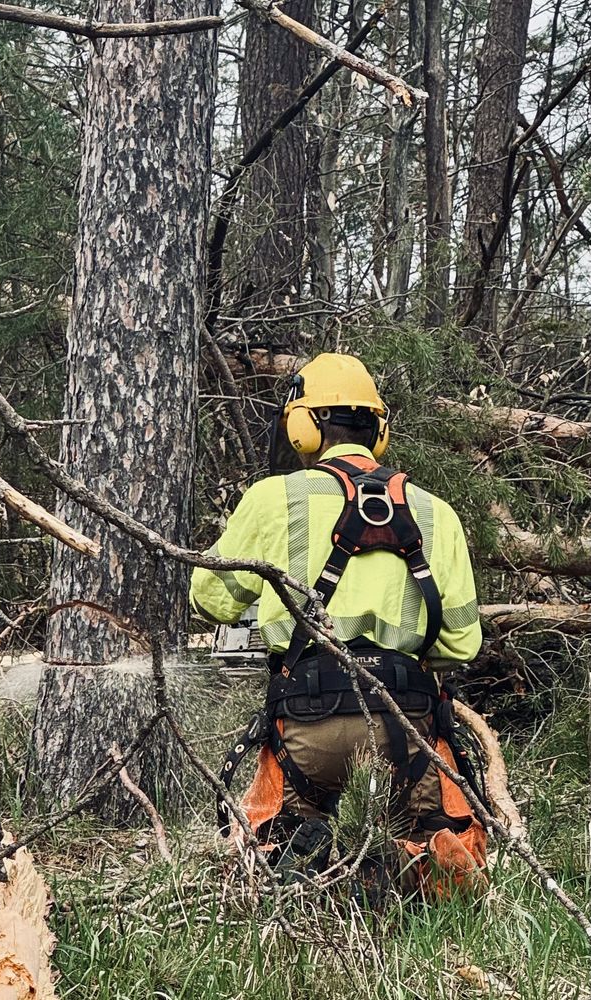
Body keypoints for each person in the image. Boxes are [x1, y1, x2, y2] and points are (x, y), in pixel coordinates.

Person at [190, 353, 487, 894]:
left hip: (305, 724)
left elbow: (211, 601)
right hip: (408, 724)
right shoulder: (435, 512)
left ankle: (298, 873)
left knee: (264, 842)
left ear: (305, 424)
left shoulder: (273, 498)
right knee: (447, 837)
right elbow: (462, 642)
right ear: (379, 429)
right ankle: (414, 873)